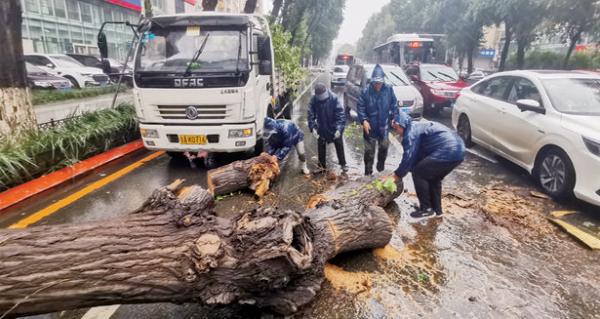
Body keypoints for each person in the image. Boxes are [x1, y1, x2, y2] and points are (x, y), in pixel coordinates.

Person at [392, 112, 465, 218]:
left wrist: (397, 175)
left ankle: (426, 209)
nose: (396, 132)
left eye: (396, 128)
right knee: (434, 178)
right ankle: (437, 211)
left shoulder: (410, 132)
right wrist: (409, 168)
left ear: (401, 124)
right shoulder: (416, 127)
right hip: (459, 151)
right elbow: (417, 157)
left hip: (448, 150)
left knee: (419, 174)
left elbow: (408, 157)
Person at [357, 64, 400, 176]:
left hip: (383, 126)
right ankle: (368, 173)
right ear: (372, 81)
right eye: (375, 83)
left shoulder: (389, 89)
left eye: (379, 83)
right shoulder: (365, 91)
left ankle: (380, 167)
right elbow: (360, 107)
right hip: (370, 126)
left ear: (383, 81)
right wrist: (364, 120)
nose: (378, 85)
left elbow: (394, 105)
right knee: (369, 152)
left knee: (384, 148)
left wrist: (395, 118)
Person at [307, 82, 348, 172]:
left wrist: (339, 129)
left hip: (333, 127)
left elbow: (340, 116)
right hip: (321, 127)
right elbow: (310, 115)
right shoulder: (314, 100)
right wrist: (313, 128)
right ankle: (321, 166)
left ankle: (343, 164)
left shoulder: (334, 98)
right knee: (321, 146)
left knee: (339, 145)